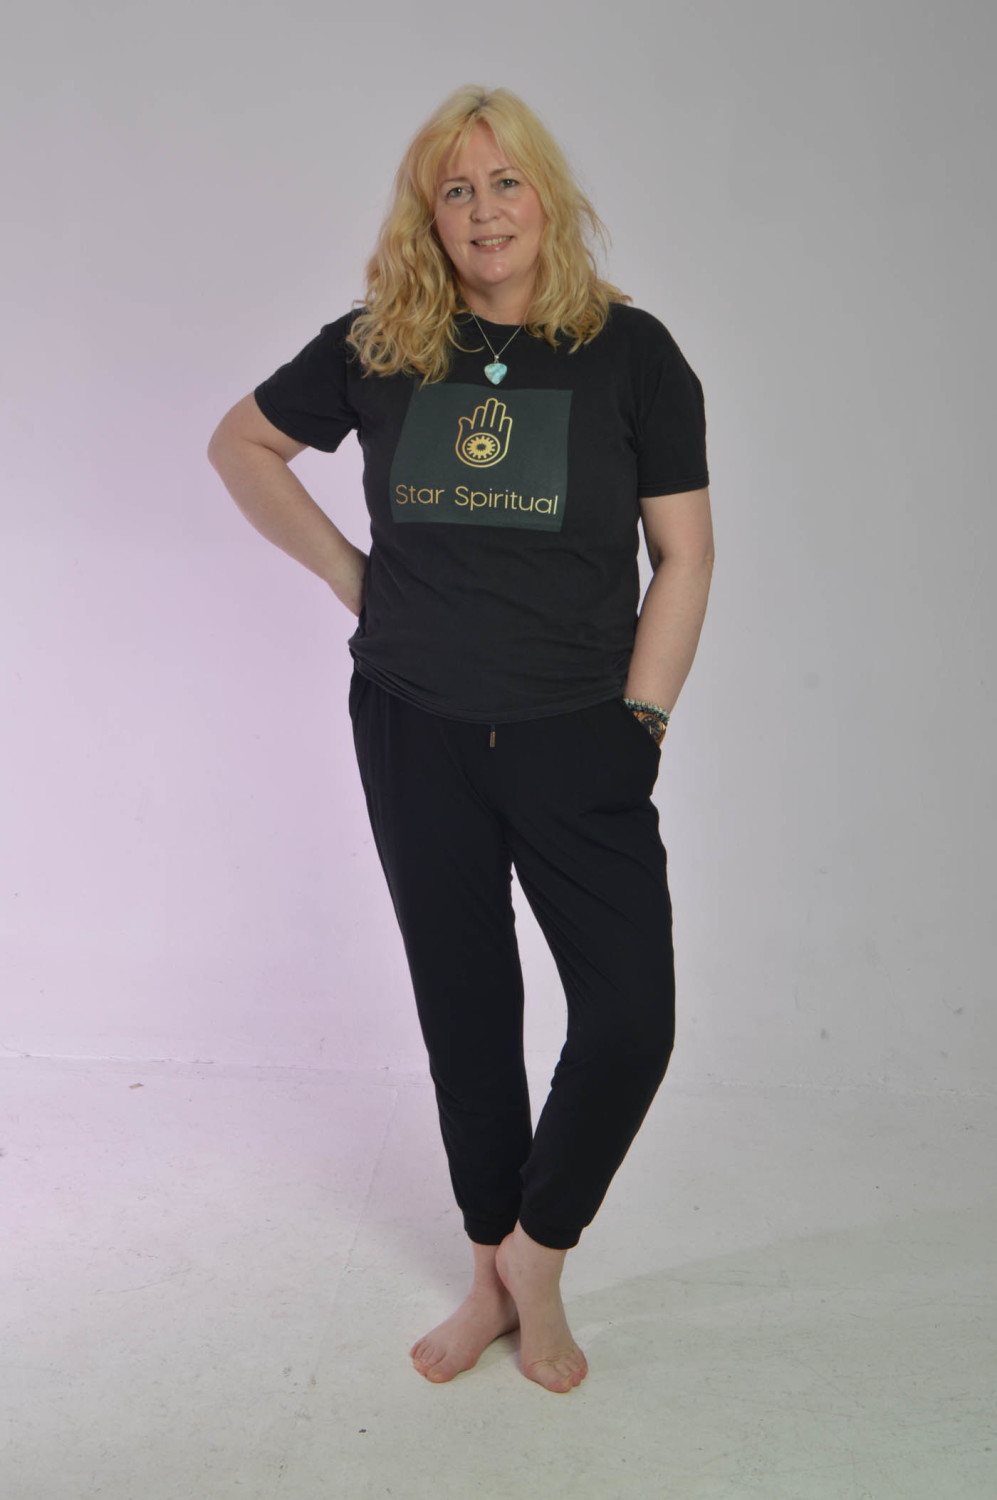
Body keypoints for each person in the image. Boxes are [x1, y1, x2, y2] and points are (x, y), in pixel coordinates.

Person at [207, 85, 714, 1395]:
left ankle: (540, 1251)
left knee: (630, 1018)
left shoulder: (631, 353)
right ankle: (490, 1270)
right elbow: (243, 443)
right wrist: (355, 582)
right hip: (413, 725)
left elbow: (685, 553)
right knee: (466, 1007)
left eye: (505, 182)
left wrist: (644, 716)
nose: (484, 211)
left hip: (578, 735)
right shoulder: (379, 345)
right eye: (455, 189)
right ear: (425, 216)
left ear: (547, 198)